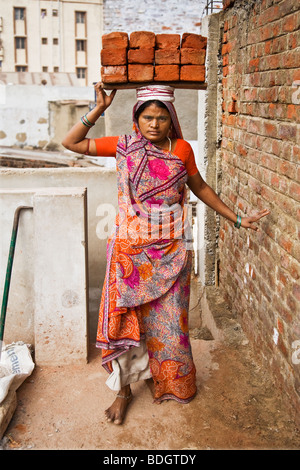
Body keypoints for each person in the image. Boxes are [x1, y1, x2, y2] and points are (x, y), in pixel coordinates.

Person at [62, 82, 270, 425]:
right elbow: (70, 143)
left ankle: (173, 383)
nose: (154, 124)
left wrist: (236, 218)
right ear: (137, 118)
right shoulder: (124, 146)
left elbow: (199, 187)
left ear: (171, 119)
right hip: (130, 256)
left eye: (161, 118)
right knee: (127, 322)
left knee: (172, 323)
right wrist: (99, 108)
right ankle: (124, 391)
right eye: (147, 117)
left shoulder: (182, 150)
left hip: (172, 253)